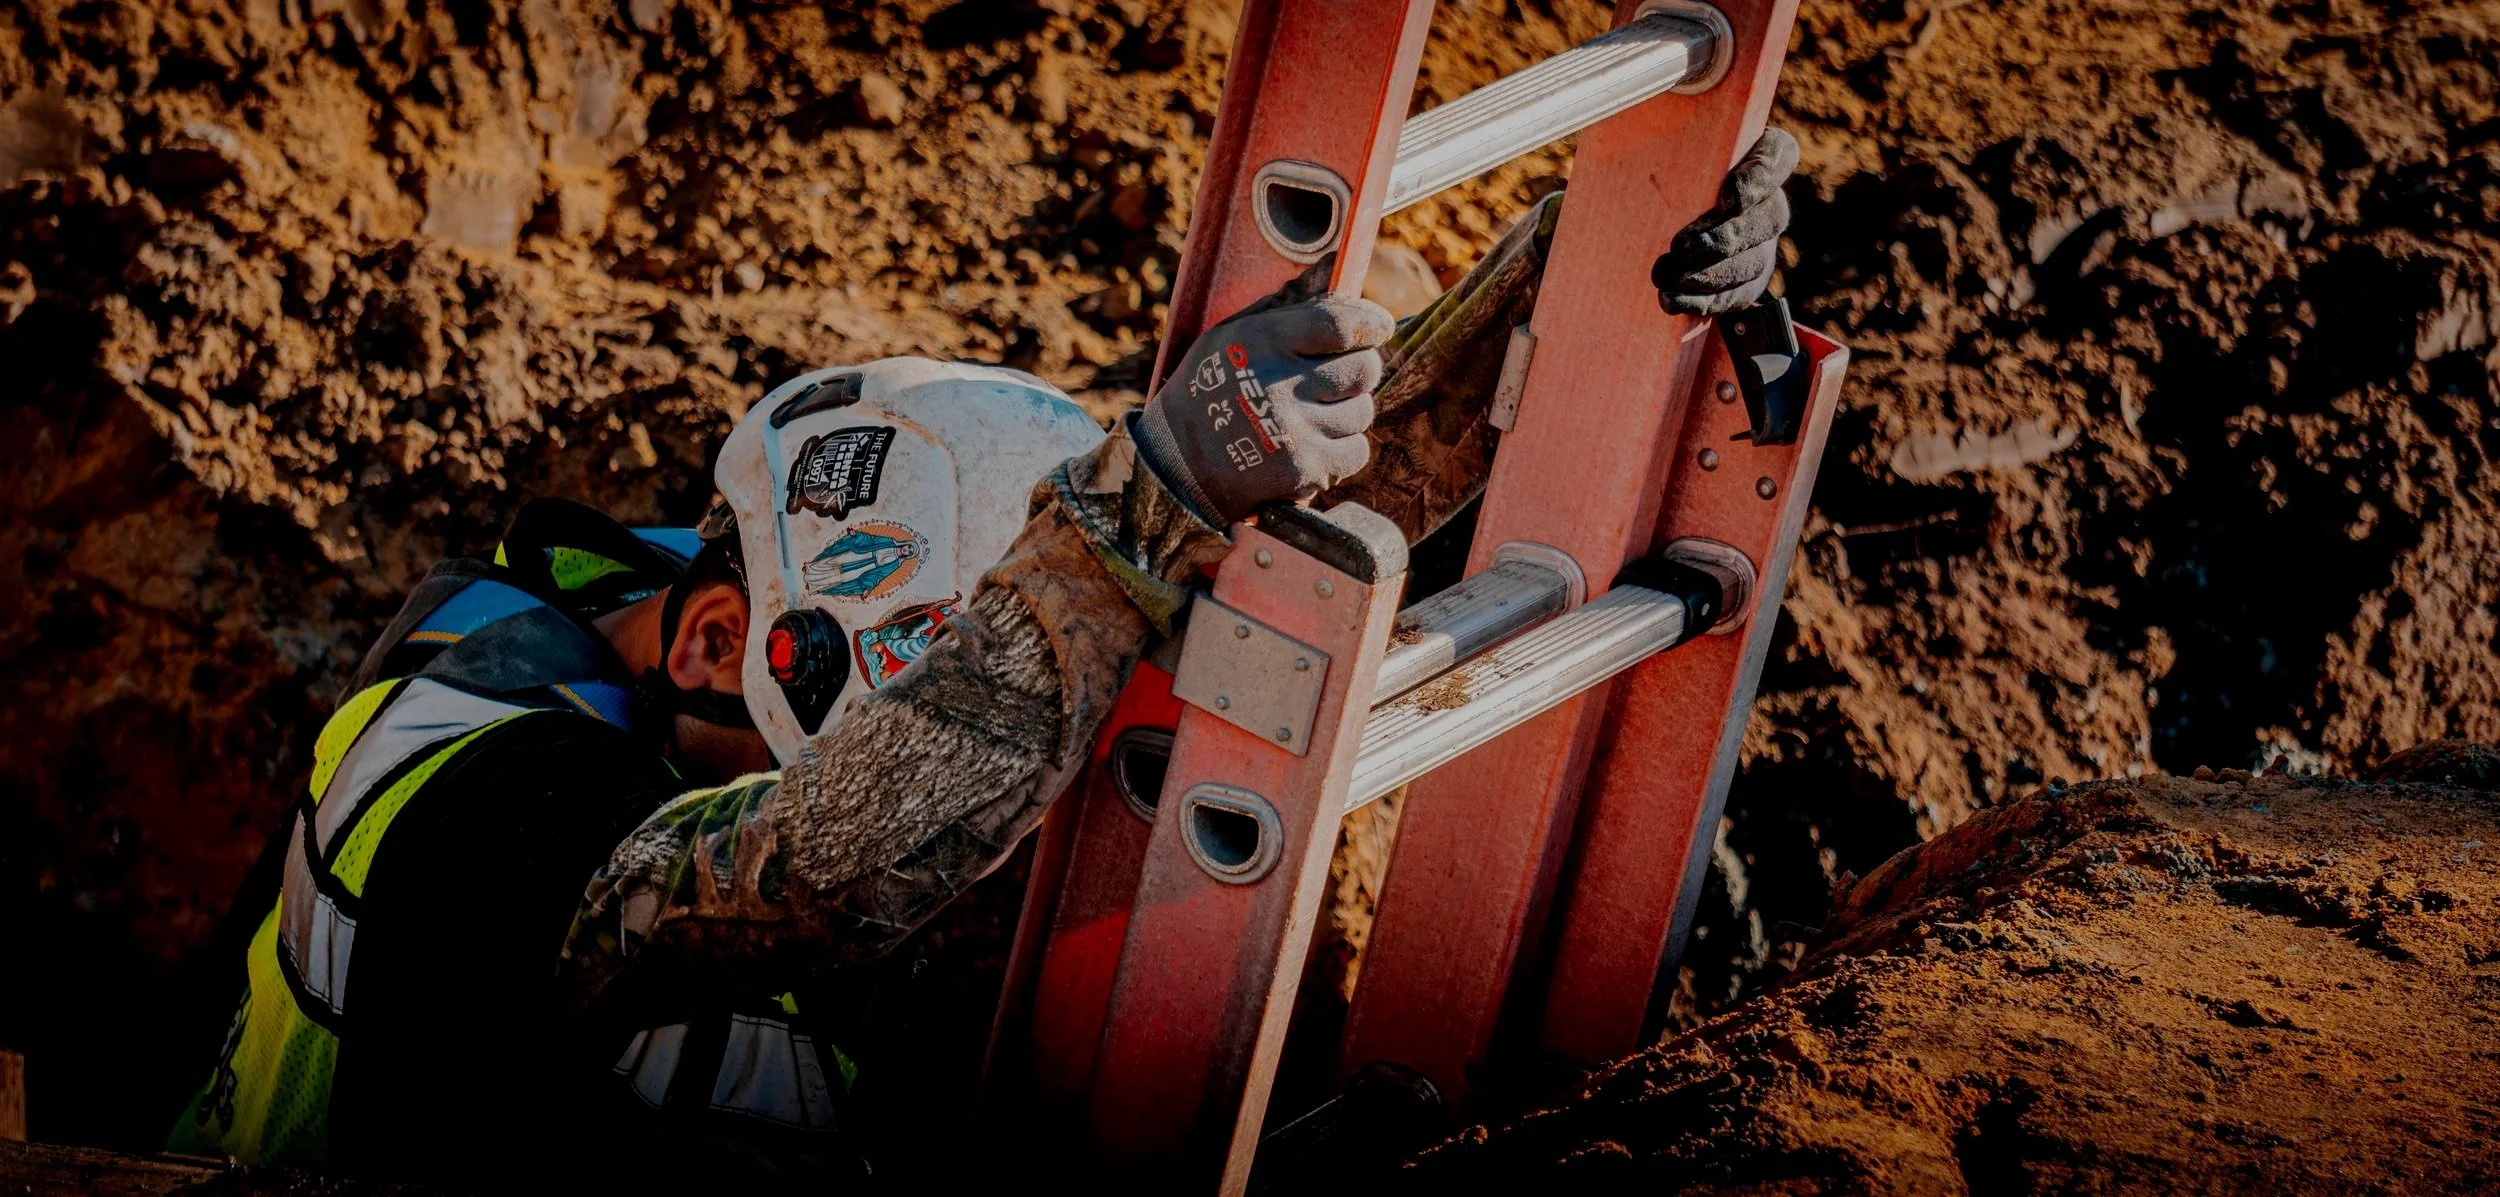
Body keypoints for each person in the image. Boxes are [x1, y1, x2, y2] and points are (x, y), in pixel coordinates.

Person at [168, 130, 1800, 1185]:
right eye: (932, 679)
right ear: (729, 637)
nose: (971, 707)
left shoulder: (727, 640)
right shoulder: (471, 803)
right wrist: (1121, 525)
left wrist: (1586, 276)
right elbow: (815, 871)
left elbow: (1114, 636)